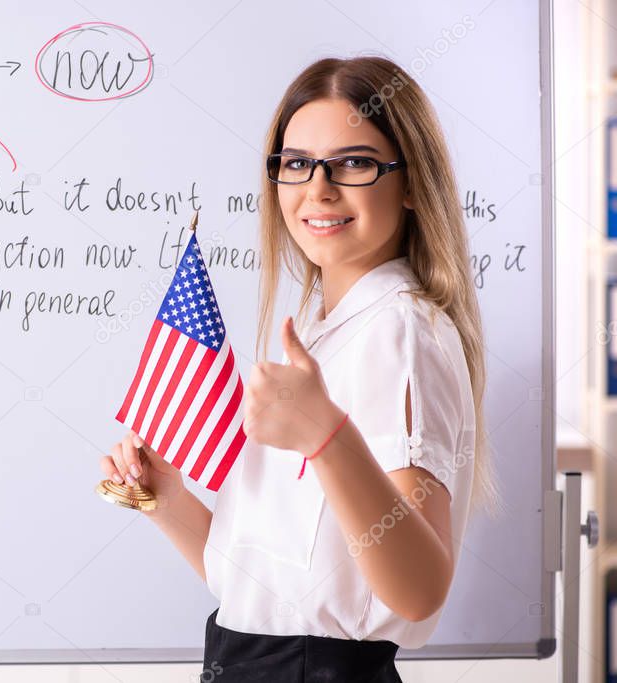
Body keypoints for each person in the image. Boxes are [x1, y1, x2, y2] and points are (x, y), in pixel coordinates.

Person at [100, 55, 502, 682]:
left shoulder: (399, 331)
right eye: (296, 164)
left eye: (354, 162)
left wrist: (326, 437)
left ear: (413, 183)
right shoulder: (320, 331)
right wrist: (167, 500)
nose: (318, 188)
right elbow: (275, 595)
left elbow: (420, 589)